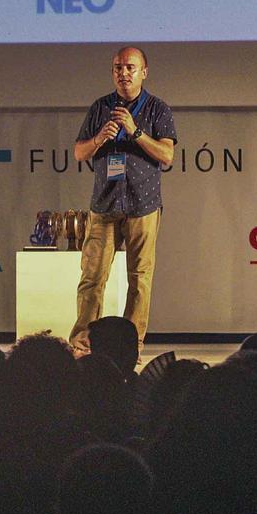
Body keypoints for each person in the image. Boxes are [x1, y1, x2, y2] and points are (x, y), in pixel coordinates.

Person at [68, 46, 175, 349]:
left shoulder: (157, 109)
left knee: (139, 280)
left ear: (144, 72)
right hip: (105, 204)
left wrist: (135, 131)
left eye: (130, 67)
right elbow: (79, 152)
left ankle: (131, 345)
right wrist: (100, 137)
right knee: (92, 278)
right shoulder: (100, 108)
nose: (123, 73)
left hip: (143, 204)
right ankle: (82, 344)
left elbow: (167, 155)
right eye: (118, 68)